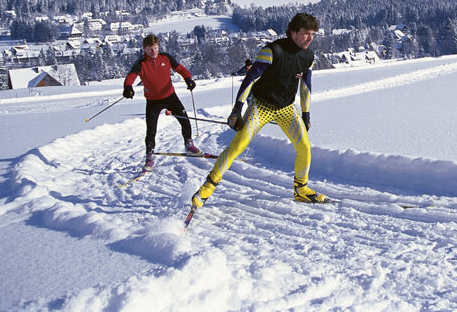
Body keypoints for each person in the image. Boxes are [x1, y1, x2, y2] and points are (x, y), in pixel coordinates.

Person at [191, 12, 326, 208]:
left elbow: (305, 87)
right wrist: (237, 110)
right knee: (237, 147)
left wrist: (306, 114)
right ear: (293, 32)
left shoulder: (308, 57)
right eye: (306, 33)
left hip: (287, 108)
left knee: (304, 147)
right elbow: (250, 80)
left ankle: (301, 189)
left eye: (313, 34)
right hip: (261, 106)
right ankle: (206, 189)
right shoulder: (272, 51)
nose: (310, 38)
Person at [123, 34, 202, 170]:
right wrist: (128, 88)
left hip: (170, 96)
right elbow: (131, 76)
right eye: (150, 49)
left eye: (155, 48)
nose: (153, 52)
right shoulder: (141, 64)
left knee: (185, 120)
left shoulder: (166, 58)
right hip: (153, 101)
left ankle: (189, 144)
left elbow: (180, 69)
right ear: (144, 49)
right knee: (151, 130)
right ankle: (149, 157)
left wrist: (188, 79)